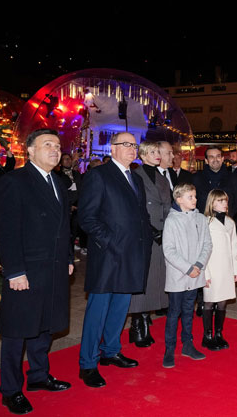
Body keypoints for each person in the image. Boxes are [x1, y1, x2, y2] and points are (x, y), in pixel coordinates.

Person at [0, 128, 74, 415]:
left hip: (53, 267)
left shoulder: (59, 182)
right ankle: (10, 390)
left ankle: (39, 377)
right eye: (47, 145)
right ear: (30, 150)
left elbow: (64, 227)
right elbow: (7, 230)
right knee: (17, 332)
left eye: (57, 145)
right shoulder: (15, 181)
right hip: (26, 269)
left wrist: (68, 258)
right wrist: (14, 271)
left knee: (45, 326)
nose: (55, 150)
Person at [77, 132, 153, 388]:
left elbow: (139, 215)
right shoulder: (99, 175)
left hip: (132, 254)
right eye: (127, 145)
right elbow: (87, 218)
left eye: (135, 145)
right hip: (109, 256)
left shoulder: (136, 178)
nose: (133, 149)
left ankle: (111, 351)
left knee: (121, 306)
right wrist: (110, 242)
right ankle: (88, 363)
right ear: (113, 149)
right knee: (98, 310)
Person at [162, 183, 212, 368]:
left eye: (195, 196)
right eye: (190, 197)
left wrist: (198, 265)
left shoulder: (201, 218)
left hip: (196, 273)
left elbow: (207, 244)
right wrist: (187, 268)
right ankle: (169, 349)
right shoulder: (172, 221)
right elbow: (169, 250)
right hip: (179, 275)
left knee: (189, 311)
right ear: (179, 199)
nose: (195, 199)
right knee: (174, 312)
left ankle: (188, 345)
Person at [128, 141, 170, 347]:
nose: (158, 155)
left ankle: (144, 319)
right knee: (144, 278)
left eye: (158, 152)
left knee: (156, 279)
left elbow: (168, 206)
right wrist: (152, 230)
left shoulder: (162, 178)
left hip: (163, 234)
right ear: (143, 155)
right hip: (146, 234)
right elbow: (136, 207)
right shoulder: (136, 176)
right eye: (153, 152)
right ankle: (138, 324)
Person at [192, 146, 237, 315]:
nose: (215, 159)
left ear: (222, 158)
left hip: (224, 226)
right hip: (203, 225)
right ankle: (202, 299)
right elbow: (194, 203)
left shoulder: (233, 178)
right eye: (211, 157)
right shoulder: (197, 178)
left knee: (222, 263)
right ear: (206, 160)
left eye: (218, 156)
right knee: (204, 260)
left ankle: (219, 300)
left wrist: (227, 221)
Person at [201, 189, 237, 351]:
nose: (224, 204)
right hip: (211, 267)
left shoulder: (231, 222)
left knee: (223, 303)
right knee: (209, 302)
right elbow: (202, 249)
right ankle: (207, 336)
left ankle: (219, 334)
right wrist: (205, 272)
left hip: (226, 268)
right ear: (212, 203)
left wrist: (236, 270)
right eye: (220, 201)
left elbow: (234, 249)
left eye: (225, 200)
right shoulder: (205, 222)